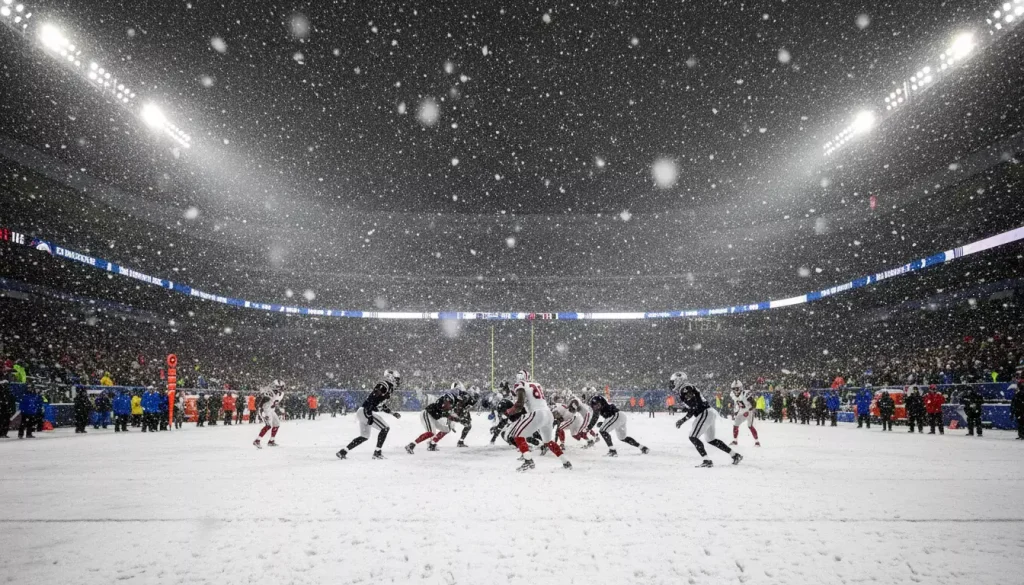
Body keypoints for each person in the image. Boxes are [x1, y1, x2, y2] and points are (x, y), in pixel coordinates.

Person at [501, 369, 571, 471]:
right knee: (548, 441)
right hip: (548, 414)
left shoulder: (520, 384)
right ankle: (565, 462)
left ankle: (528, 461)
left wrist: (507, 412)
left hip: (537, 413)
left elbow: (519, 404)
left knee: (517, 435)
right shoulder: (536, 385)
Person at [671, 372, 741, 468]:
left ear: (679, 380)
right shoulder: (686, 387)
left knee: (693, 436)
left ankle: (707, 460)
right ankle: (735, 455)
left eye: (674, 381)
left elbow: (694, 406)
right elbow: (693, 405)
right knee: (711, 439)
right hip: (708, 412)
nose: (673, 384)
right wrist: (679, 409)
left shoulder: (685, 388)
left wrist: (683, 420)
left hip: (704, 413)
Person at [336, 370, 402, 460]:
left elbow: (380, 405)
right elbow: (372, 398)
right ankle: (377, 453)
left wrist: (392, 413)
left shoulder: (388, 388)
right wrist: (369, 413)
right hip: (366, 411)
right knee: (385, 428)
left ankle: (343, 452)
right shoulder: (384, 385)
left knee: (364, 436)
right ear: (391, 377)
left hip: (363, 411)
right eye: (396, 379)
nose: (398, 381)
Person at [406, 386, 459, 453]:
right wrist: (448, 416)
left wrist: (451, 423)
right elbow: (441, 410)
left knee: (446, 429)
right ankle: (411, 445)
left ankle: (432, 444)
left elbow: (445, 413)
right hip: (428, 414)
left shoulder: (450, 401)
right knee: (431, 433)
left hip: (434, 416)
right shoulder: (446, 398)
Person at [253, 381, 286, 448]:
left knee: (277, 424)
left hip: (271, 410)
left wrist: (279, 410)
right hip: (265, 410)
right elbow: (261, 402)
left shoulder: (281, 393)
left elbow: (274, 402)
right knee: (268, 426)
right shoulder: (270, 393)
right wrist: (261, 411)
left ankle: (271, 441)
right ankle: (257, 440)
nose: (282, 388)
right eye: (281, 387)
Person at [729, 381, 760, 446]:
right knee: (735, 425)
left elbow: (754, 404)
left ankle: (757, 442)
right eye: (733, 389)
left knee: (750, 426)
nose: (735, 390)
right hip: (741, 411)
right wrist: (736, 411)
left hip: (749, 410)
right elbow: (737, 403)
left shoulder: (745, 394)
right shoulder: (733, 394)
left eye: (736, 388)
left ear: (740, 388)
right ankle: (735, 441)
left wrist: (750, 409)